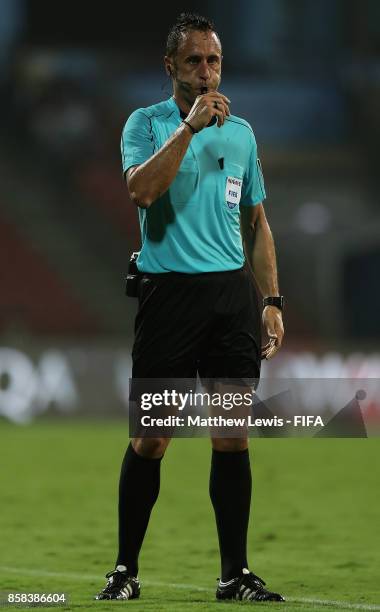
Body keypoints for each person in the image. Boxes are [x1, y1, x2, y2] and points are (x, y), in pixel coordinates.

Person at [96, 12, 285, 604]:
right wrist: (191, 130)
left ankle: (235, 575)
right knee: (153, 437)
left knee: (233, 436)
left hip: (230, 299)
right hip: (168, 295)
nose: (207, 73)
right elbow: (141, 191)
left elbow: (255, 222)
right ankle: (125, 570)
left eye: (215, 61)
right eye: (195, 61)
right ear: (170, 66)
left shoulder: (243, 134)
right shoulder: (145, 125)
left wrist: (272, 301)